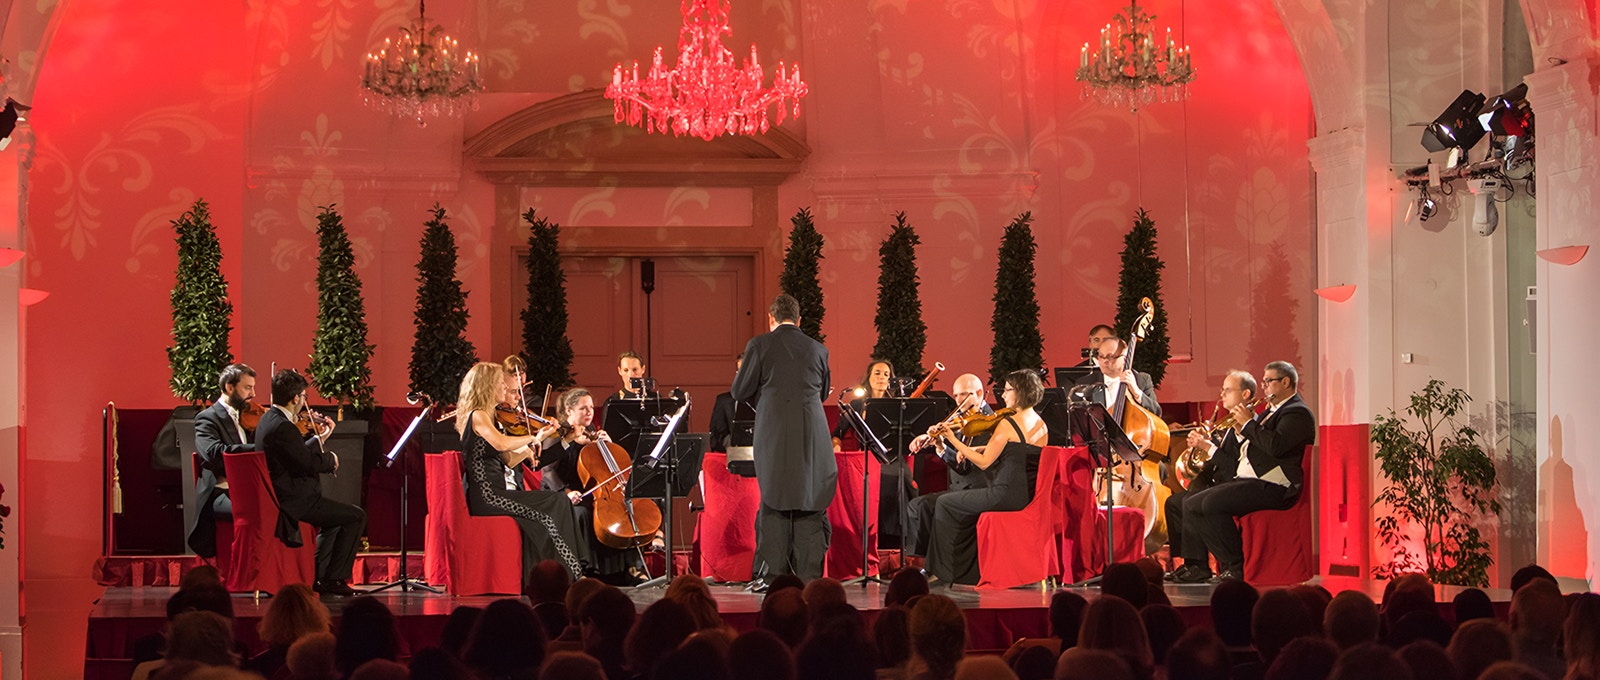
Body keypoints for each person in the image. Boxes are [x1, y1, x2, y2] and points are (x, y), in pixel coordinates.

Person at [1171, 361, 1316, 583]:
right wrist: (1241, 429)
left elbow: (1276, 446)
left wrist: (1247, 425)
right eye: (1264, 381)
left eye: (1269, 381)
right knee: (1191, 503)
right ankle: (1224, 565)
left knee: (1210, 505)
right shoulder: (1271, 412)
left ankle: (1235, 566)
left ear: (1286, 382)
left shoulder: (1297, 413)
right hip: (1254, 480)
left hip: (1276, 485)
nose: (1264, 387)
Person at [732, 293, 835, 587]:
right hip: (812, 434)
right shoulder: (818, 349)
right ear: (799, 319)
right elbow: (824, 391)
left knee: (775, 499)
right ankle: (809, 578)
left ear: (771, 318)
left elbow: (740, 391)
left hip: (774, 433)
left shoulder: (760, 345)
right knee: (810, 497)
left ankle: (773, 577)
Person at [455, 362, 590, 582]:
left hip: (497, 494)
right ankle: (567, 575)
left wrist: (537, 443)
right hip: (488, 497)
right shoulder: (478, 415)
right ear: (488, 386)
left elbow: (508, 459)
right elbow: (500, 443)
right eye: (501, 384)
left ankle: (567, 572)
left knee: (557, 503)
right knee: (554, 503)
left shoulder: (489, 417)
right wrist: (533, 438)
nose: (505, 389)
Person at [923, 369, 1048, 586]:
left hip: (1003, 494)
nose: (1003, 395)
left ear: (1019, 392)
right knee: (960, 507)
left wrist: (954, 440)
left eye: (1008, 390)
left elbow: (984, 463)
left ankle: (943, 572)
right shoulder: (1039, 422)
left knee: (944, 503)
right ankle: (968, 570)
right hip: (1026, 494)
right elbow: (1016, 451)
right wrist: (979, 447)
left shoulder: (1008, 423)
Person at [258, 369, 365, 596]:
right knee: (356, 516)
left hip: (286, 494)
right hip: (294, 500)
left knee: (336, 520)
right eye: (304, 397)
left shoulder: (269, 419)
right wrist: (331, 460)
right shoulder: (283, 426)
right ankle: (334, 579)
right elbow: (306, 463)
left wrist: (321, 437)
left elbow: (295, 454)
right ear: (295, 398)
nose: (304, 402)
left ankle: (322, 577)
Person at [539, 387, 650, 584]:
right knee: (581, 513)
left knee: (625, 509)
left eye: (591, 407)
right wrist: (566, 492)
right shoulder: (557, 436)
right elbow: (548, 471)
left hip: (593, 493)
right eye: (583, 408)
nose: (589, 412)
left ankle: (631, 568)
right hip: (562, 493)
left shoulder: (595, 436)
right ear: (569, 411)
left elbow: (613, 472)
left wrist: (610, 446)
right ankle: (586, 569)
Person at [904, 373, 993, 557]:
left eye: (964, 395)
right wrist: (933, 441)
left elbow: (967, 465)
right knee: (917, 506)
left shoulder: (991, 422)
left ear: (979, 393)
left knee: (932, 505)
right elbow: (958, 462)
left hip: (977, 490)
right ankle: (920, 561)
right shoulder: (960, 420)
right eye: (956, 395)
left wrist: (945, 445)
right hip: (957, 489)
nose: (959, 401)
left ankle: (935, 563)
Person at [188, 363, 258, 558]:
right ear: (229, 387)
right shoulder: (207, 418)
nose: (253, 394)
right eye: (247, 387)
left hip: (246, 490)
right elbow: (213, 452)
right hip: (219, 494)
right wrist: (257, 449)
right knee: (257, 514)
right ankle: (245, 571)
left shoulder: (247, 418)